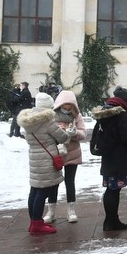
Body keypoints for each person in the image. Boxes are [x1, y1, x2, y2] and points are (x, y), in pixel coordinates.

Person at [17, 92, 70, 236]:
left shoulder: (27, 120)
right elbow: (62, 137)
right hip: (47, 158)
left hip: (34, 158)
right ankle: (37, 224)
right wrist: (66, 131)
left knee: (35, 190)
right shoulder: (47, 121)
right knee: (43, 191)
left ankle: (33, 222)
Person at [91, 86, 127, 231]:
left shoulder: (105, 113)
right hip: (118, 157)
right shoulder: (120, 115)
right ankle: (111, 222)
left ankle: (111, 220)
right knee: (113, 190)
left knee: (111, 189)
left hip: (108, 156)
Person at [44, 90, 87, 224]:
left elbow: (83, 133)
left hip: (72, 153)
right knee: (53, 183)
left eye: (69, 107)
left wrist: (74, 133)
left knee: (70, 182)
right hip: (56, 153)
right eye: (65, 106)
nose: (67, 109)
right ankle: (51, 211)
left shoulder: (77, 116)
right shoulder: (52, 116)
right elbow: (47, 134)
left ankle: (71, 210)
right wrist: (59, 131)